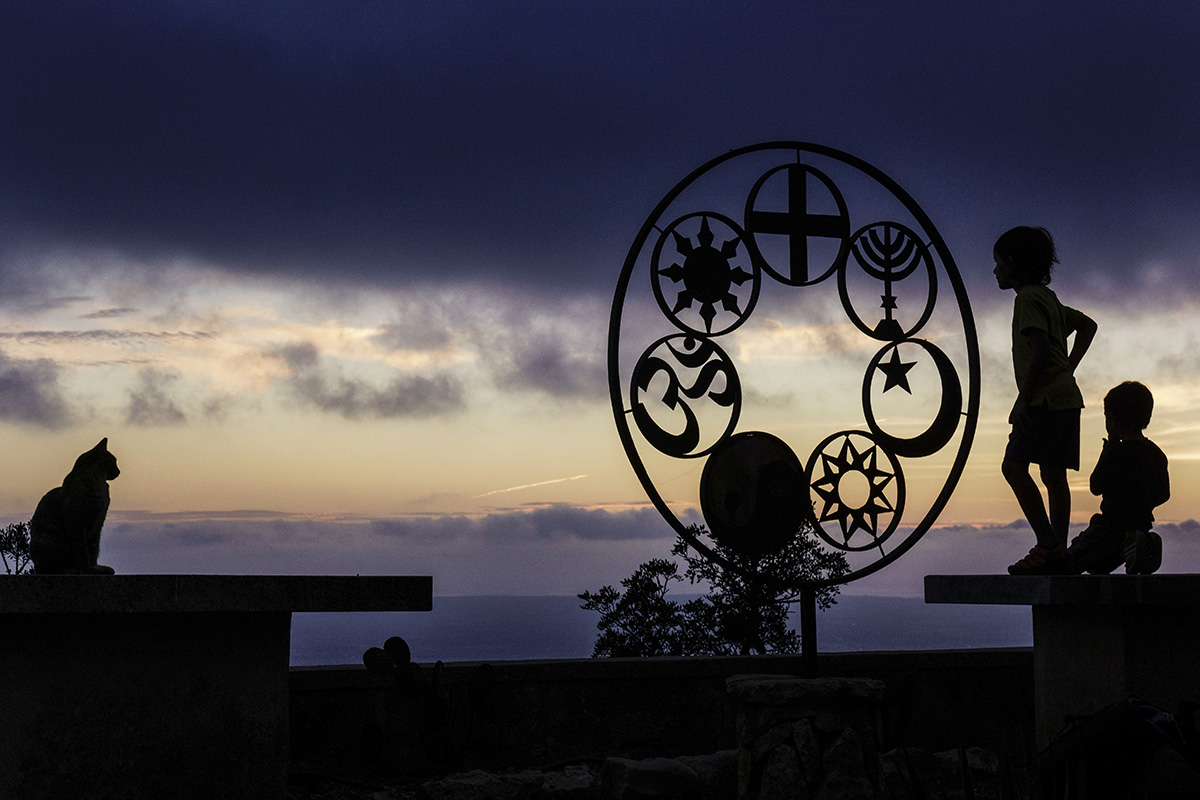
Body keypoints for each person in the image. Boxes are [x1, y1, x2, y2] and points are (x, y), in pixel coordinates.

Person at [993, 226, 1098, 575]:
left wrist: (1022, 401)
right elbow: (1088, 326)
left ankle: (1047, 543)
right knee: (1054, 476)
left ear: (1012, 263)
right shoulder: (1048, 298)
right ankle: (1059, 551)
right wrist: (1068, 368)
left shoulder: (1026, 300)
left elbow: (1038, 349)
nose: (994, 271)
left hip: (1043, 402)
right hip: (1065, 398)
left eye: (998, 263)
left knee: (1013, 467)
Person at [1066, 381, 1170, 574]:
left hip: (1108, 530)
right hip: (1139, 527)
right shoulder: (1157, 454)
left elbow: (1095, 486)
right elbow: (1164, 494)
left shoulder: (1116, 453)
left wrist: (1109, 447)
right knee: (1098, 565)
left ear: (1111, 419)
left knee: (1070, 561)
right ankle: (1142, 544)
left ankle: (1134, 546)